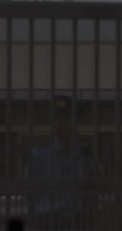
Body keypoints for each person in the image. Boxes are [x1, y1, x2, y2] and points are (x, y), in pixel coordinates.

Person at [25, 96, 98, 230]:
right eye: (56, 119)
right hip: (47, 219)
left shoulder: (86, 153)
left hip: (79, 219)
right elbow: (30, 190)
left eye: (65, 118)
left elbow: (94, 189)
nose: (59, 124)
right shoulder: (40, 154)